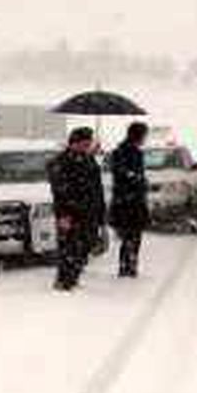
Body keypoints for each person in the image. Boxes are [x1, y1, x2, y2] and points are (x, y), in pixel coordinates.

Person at [47, 127, 106, 291]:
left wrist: (101, 213)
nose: (87, 146)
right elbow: (60, 191)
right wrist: (64, 215)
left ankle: (73, 278)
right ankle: (64, 282)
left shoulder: (89, 160)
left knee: (85, 246)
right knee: (69, 248)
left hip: (90, 212)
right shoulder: (60, 162)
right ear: (74, 143)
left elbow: (97, 188)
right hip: (70, 213)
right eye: (84, 143)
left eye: (88, 143)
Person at [108, 121, 150, 277]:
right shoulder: (123, 152)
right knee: (130, 236)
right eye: (144, 135)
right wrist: (137, 179)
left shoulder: (132, 151)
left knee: (131, 237)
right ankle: (127, 267)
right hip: (128, 202)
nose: (145, 138)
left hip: (131, 201)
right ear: (137, 135)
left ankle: (129, 266)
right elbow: (121, 173)